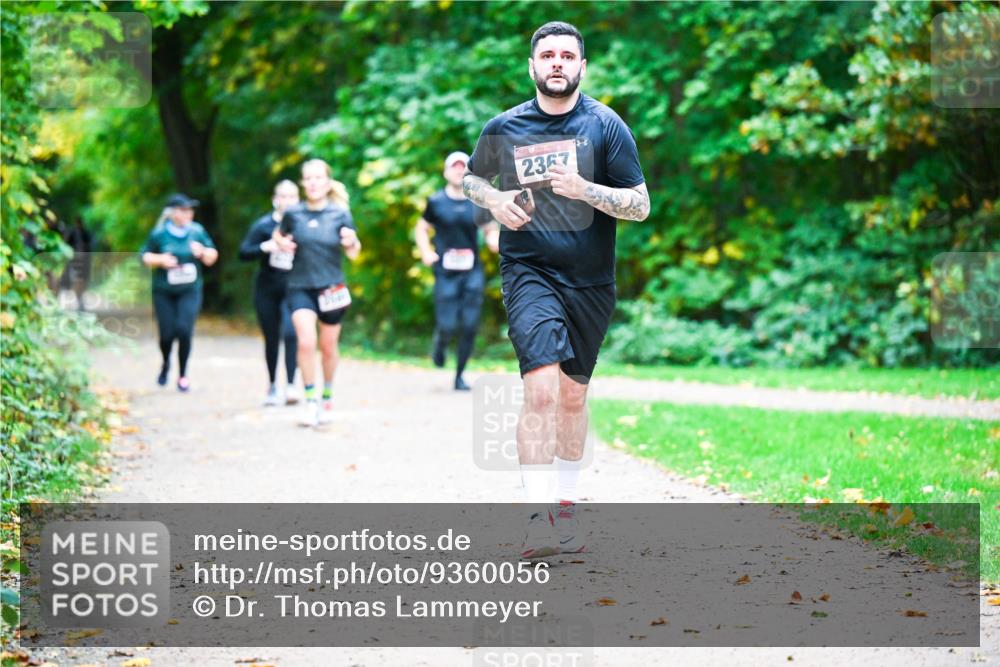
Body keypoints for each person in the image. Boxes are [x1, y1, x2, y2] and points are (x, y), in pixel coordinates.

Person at [463, 21, 649, 557]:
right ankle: (537, 517)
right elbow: (473, 180)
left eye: (568, 55)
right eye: (548, 55)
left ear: (582, 66)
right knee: (540, 388)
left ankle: (565, 507)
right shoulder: (504, 126)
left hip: (591, 279)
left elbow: (640, 204)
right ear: (532, 66)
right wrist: (494, 202)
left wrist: (585, 189)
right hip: (529, 271)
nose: (558, 63)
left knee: (572, 396)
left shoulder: (605, 126)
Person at [272, 159, 361, 427]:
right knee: (306, 342)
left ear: (327, 182)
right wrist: (281, 242)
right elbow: (279, 234)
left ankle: (327, 396)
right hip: (300, 286)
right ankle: (310, 401)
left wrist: (351, 241)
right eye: (308, 178)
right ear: (303, 183)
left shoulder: (340, 214)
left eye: (318, 178)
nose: (312, 183)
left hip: (332, 288)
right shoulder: (293, 213)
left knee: (328, 347)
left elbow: (354, 252)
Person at [415, 151, 499, 391]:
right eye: (454, 167)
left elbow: (490, 227)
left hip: (472, 272)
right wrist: (425, 251)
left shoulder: (477, 202)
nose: (459, 170)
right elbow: (421, 229)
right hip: (445, 272)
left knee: (470, 324)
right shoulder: (436, 201)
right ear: (446, 171)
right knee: (448, 324)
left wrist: (493, 239)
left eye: (463, 167)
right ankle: (439, 344)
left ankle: (460, 375)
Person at [140, 193, 219, 392]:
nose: (188, 214)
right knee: (167, 334)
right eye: (184, 210)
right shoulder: (159, 234)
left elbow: (212, 256)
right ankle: (166, 362)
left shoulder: (197, 231)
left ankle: (183, 375)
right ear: (173, 212)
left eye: (190, 210)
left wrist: (202, 252)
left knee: (184, 330)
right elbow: (144, 256)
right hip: (164, 291)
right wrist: (161, 260)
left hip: (190, 290)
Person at [239, 180, 302, 406]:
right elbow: (243, 253)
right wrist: (266, 247)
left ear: (298, 199)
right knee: (272, 338)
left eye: (292, 196)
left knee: (291, 333)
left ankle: (292, 385)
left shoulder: (302, 224)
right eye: (283, 196)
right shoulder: (263, 225)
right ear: (275, 199)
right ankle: (273, 385)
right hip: (267, 289)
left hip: (295, 289)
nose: (287, 201)